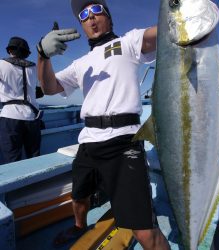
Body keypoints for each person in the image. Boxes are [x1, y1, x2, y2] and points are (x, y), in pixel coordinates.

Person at [36, 0, 170, 249]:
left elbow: (163, 32)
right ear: (82, 25)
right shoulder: (80, 64)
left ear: (109, 18)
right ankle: (79, 226)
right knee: (78, 197)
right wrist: (42, 56)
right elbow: (49, 87)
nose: (91, 18)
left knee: (143, 231)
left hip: (123, 143)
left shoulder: (128, 42)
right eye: (84, 15)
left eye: (97, 10)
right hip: (88, 141)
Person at [0, 37, 43, 164]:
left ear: (10, 50)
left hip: (10, 117)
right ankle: (36, 182)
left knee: (12, 159)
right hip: (32, 117)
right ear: (26, 53)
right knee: (34, 157)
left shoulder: (1, 64)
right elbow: (39, 92)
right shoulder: (34, 68)